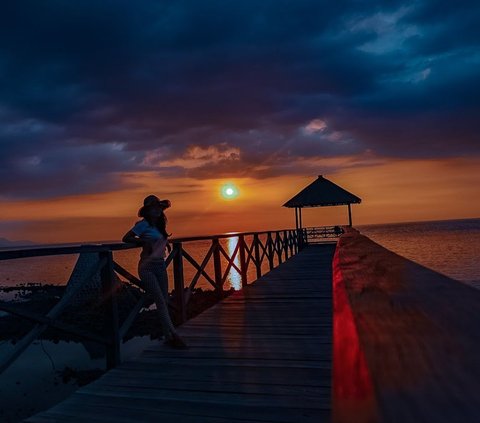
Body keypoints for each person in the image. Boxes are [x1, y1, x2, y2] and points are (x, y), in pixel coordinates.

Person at [122, 195, 187, 349]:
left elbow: (157, 239)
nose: (157, 210)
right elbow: (126, 238)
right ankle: (174, 335)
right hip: (147, 268)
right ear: (148, 210)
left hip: (160, 266)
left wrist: (166, 243)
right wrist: (143, 241)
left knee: (164, 300)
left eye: (159, 207)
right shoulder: (142, 225)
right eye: (153, 207)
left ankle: (167, 337)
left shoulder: (159, 225)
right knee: (160, 302)